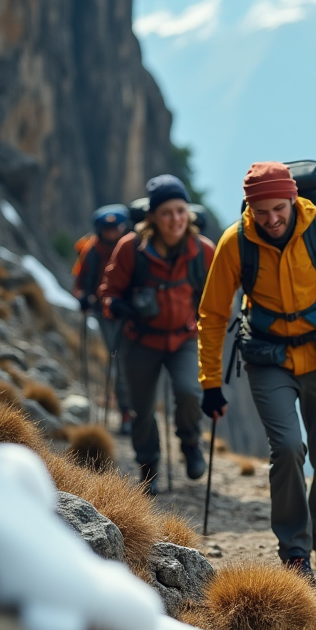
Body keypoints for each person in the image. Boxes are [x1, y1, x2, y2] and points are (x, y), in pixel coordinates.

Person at [197, 162, 316, 579]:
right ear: (249, 208)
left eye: (278, 208)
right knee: (288, 448)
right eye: (261, 212)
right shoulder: (234, 243)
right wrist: (209, 383)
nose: (271, 219)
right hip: (267, 360)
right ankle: (295, 549)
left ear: (294, 199)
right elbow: (212, 314)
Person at [99, 175, 215, 495]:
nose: (175, 219)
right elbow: (109, 292)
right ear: (152, 217)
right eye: (166, 212)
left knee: (190, 391)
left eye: (180, 210)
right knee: (142, 408)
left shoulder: (203, 251)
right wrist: (120, 307)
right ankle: (148, 466)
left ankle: (190, 442)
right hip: (141, 340)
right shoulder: (130, 249)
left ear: (188, 213)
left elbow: (214, 298)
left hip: (184, 340)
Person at [73, 204, 132, 433]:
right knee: (120, 360)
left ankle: (132, 413)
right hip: (105, 314)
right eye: (108, 229)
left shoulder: (129, 247)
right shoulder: (92, 251)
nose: (112, 232)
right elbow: (80, 283)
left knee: (131, 362)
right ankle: (127, 413)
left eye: (115, 227)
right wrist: (83, 298)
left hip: (129, 312)